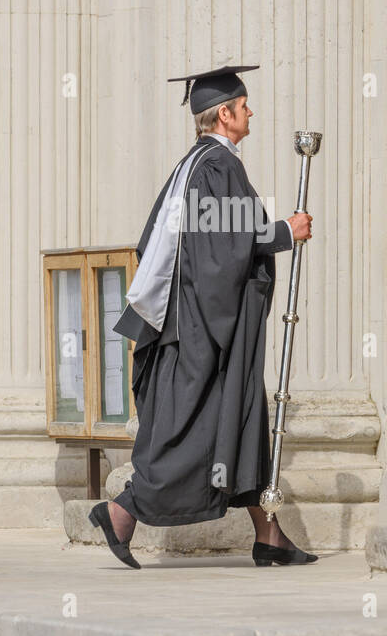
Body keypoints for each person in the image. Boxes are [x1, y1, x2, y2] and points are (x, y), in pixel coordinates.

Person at [88, 64, 317, 569]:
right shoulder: (217, 167)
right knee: (198, 430)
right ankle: (123, 510)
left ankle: (269, 536)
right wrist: (286, 230)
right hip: (199, 334)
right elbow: (222, 245)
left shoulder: (193, 165)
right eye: (245, 105)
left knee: (243, 418)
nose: (251, 111)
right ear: (225, 113)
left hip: (189, 323)